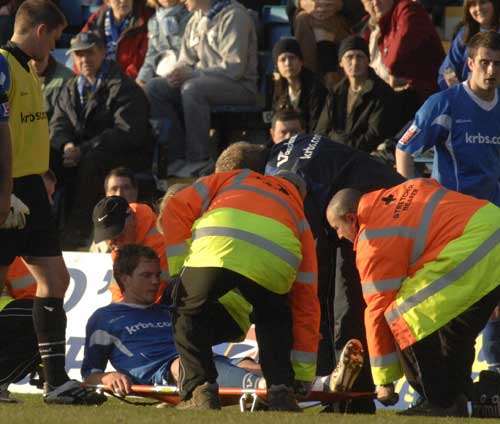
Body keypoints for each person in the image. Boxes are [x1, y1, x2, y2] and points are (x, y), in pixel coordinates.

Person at [0, 0, 105, 404]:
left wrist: (40, 172)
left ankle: (55, 382)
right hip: (7, 190)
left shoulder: (27, 69)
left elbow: (23, 130)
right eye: (57, 37)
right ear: (41, 31)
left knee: (56, 281)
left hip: (28, 189)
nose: (56, 47)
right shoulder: (4, 66)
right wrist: (4, 189)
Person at [326, 178, 500, 417]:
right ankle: (458, 399)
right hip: (491, 225)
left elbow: (377, 310)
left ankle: (439, 402)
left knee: (403, 315)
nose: (338, 236)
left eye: (337, 228)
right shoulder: (404, 190)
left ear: (351, 219)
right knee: (454, 332)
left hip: (474, 248)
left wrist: (384, 381)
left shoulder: (372, 240)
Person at [265, 134, 405, 413]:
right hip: (376, 204)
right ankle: (348, 395)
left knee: (348, 303)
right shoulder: (284, 155)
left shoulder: (281, 176)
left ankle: (352, 399)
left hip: (369, 215)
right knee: (344, 301)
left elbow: (312, 258)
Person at [160, 169, 320, 411]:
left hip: (218, 246)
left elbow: (175, 207)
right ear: (301, 194)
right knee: (273, 320)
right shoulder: (299, 217)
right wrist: (303, 375)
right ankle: (281, 392)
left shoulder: (235, 177)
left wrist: (179, 270)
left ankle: (201, 391)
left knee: (186, 312)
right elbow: (306, 303)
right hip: (275, 262)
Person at [396, 30, 500, 375]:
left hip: (495, 221)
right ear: (469, 63)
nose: (491, 70)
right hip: (456, 225)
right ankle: (447, 383)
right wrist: (412, 196)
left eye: (497, 64)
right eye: (484, 62)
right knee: (456, 306)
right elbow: (404, 149)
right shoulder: (445, 103)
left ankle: (488, 372)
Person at [82, 244, 266, 396]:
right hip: (167, 370)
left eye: (157, 275)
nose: (155, 281)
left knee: (246, 364)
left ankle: (275, 386)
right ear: (125, 278)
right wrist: (107, 377)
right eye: (146, 275)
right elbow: (90, 375)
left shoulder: (168, 310)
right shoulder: (105, 318)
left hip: (202, 361)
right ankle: (262, 388)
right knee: (186, 366)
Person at [50, 32, 154, 248]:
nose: (84, 59)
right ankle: (45, 229)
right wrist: (66, 145)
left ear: (103, 53)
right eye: (78, 54)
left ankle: (79, 231)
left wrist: (83, 149)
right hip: (82, 152)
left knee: (91, 161)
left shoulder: (124, 87)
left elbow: (127, 132)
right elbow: (58, 125)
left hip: (120, 155)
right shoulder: (70, 88)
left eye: (89, 53)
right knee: (49, 159)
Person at [145, 0, 258, 178]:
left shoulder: (234, 15)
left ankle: (198, 160)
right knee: (156, 87)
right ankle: (176, 159)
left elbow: (234, 68)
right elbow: (186, 59)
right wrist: (176, 73)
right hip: (202, 81)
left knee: (192, 89)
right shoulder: (195, 19)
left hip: (240, 86)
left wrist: (193, 73)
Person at [315, 35, 401, 153]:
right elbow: (321, 131)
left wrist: (342, 146)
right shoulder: (335, 93)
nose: (355, 62)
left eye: (360, 57)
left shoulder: (382, 93)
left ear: (368, 60)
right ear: (341, 62)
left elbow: (375, 135)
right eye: (349, 57)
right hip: (334, 156)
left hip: (367, 159)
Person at [361, 0, 444, 109]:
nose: (375, 2)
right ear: (364, 6)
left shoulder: (408, 9)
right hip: (390, 98)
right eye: (369, 0)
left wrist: (389, 74)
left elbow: (394, 61)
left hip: (423, 100)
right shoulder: (370, 28)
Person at [92, 196, 168, 302]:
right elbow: (119, 292)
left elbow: (152, 299)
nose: (113, 244)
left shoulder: (162, 242)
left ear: (131, 218)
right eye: (107, 238)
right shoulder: (122, 245)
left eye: (117, 235)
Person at [81, 0, 153, 79]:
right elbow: (80, 47)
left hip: (129, 80)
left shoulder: (144, 19)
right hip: (99, 76)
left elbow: (143, 60)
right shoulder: (98, 17)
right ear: (108, 2)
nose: (123, 1)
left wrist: (122, 82)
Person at [438, 0, 500, 90]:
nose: (478, 8)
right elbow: (447, 69)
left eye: (483, 2)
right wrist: (459, 90)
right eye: (473, 5)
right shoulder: (464, 34)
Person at [271, 37, 327, 133]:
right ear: (277, 65)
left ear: (301, 61)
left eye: (292, 58)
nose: (288, 63)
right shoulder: (277, 89)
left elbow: (317, 125)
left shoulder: (316, 88)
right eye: (283, 59)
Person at [293, 0, 351, 88]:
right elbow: (290, 6)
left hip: (341, 19)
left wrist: (342, 5)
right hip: (307, 18)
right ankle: (310, 84)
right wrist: (300, 2)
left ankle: (330, 87)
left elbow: (360, 6)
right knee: (302, 19)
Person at [136, 0, 190, 86]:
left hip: (184, 74)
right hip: (160, 74)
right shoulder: (153, 21)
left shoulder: (190, 15)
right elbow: (151, 56)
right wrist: (142, 79)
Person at [31, 53, 74, 121]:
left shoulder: (67, 78)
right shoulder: (17, 74)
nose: (34, 64)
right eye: (31, 59)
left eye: (39, 60)